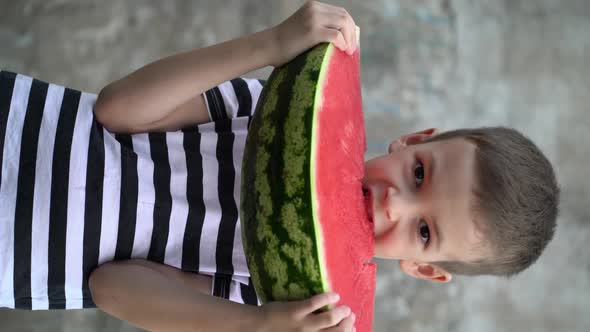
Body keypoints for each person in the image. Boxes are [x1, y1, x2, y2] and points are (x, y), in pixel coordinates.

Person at [0, 1, 559, 332]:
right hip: (17, 124)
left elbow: (111, 288)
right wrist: (270, 45)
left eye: (423, 229)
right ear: (413, 141)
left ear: (424, 269)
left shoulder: (282, 294)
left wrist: (255, 326)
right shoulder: (270, 110)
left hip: (11, 257)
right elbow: (116, 109)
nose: (393, 203)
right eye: (419, 174)